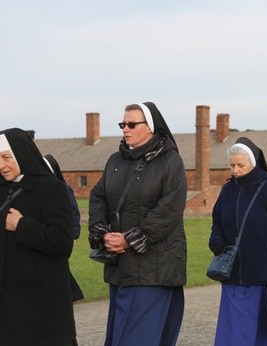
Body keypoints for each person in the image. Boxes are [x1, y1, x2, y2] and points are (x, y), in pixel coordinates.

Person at [89, 102, 187, 346]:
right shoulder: (115, 161)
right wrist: (103, 233)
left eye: (132, 124)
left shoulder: (170, 161)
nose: (126, 129)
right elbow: (98, 196)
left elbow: (169, 209)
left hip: (154, 269)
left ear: (151, 128)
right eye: (123, 124)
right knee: (120, 335)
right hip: (121, 268)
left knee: (139, 339)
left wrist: (130, 238)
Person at [209, 137, 267, 345]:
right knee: (234, 332)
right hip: (232, 273)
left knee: (263, 331)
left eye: (241, 165)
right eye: (232, 165)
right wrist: (216, 240)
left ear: (253, 163)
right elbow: (217, 223)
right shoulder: (227, 190)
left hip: (263, 273)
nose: (236, 170)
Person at [0, 128, 77, 345]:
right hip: (8, 302)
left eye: (6, 157)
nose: (1, 165)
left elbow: (63, 243)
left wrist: (22, 225)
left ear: (22, 153)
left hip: (41, 303)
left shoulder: (51, 188)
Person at [43, 153, 84, 301]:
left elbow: (74, 212)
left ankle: (70, 294)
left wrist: (74, 234)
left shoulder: (63, 188)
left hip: (63, 234)